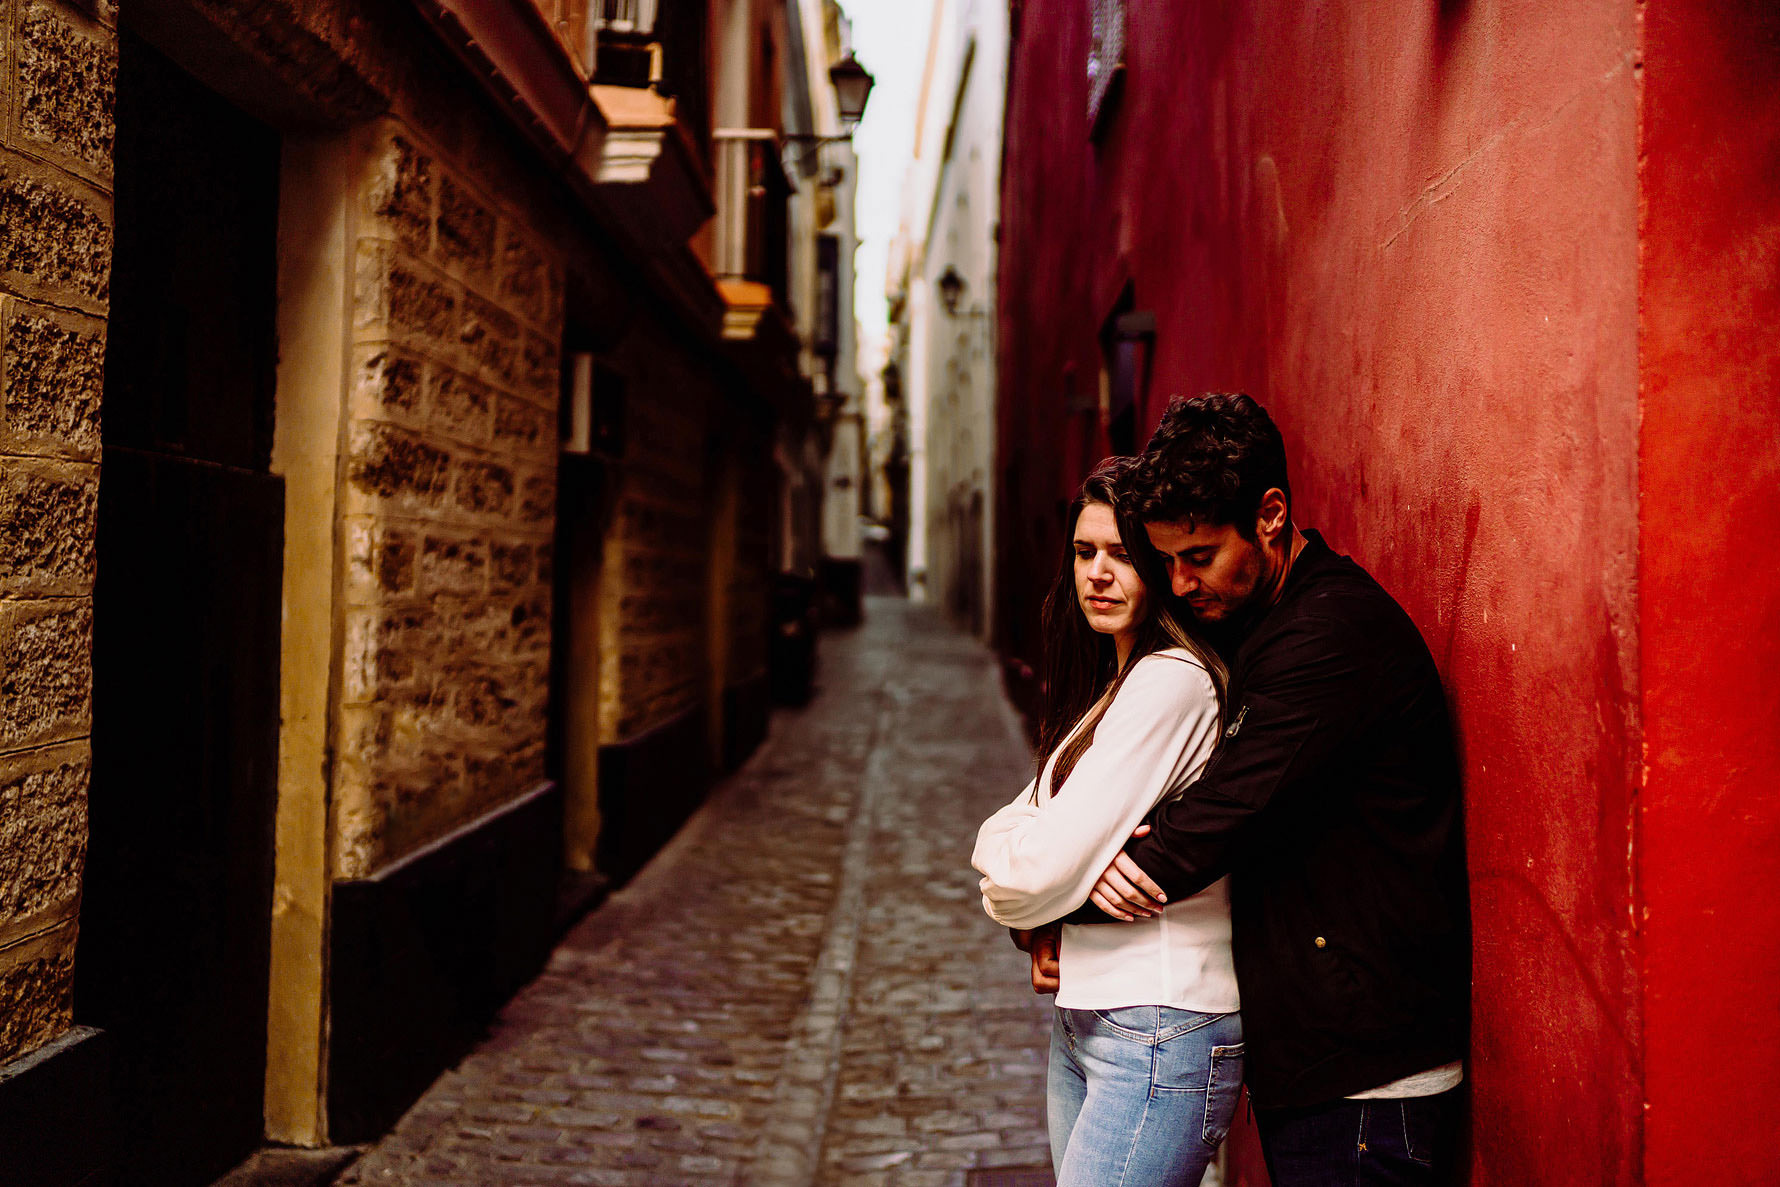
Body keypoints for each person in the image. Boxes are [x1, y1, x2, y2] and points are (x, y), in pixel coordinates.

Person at [1075, 394, 1471, 1185]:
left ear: (1270, 514)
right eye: (1169, 563)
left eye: (1199, 556)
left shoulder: (1329, 635)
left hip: (1364, 1084)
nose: (1182, 584)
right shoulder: (1263, 621)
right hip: (1320, 1064)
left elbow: (1212, 821)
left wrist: (1057, 891)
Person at [972, 458, 1244, 1187]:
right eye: (1085, 552)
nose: (1097, 572)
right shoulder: (1114, 690)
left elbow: (1029, 870)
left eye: (1122, 554)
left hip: (1158, 1026)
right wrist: (1031, 898)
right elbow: (1004, 833)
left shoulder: (1171, 682)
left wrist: (1032, 890)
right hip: (1090, 1013)